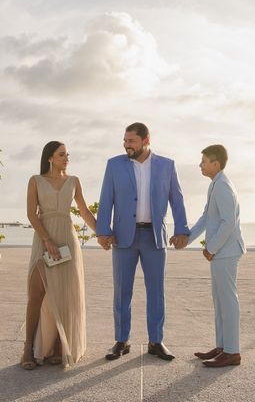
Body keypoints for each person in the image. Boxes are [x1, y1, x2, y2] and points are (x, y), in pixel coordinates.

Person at [96, 122, 189, 361]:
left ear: (146, 140)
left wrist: (182, 230)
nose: (127, 145)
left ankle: (156, 341)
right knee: (122, 292)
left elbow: (176, 200)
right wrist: (102, 231)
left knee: (156, 292)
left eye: (131, 141)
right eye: (125, 141)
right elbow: (106, 199)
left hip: (154, 237)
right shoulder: (114, 165)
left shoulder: (166, 166)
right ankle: (121, 341)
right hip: (123, 237)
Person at [21, 141, 96, 370]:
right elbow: (32, 215)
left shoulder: (73, 181)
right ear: (50, 157)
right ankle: (27, 350)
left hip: (68, 240)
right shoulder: (35, 180)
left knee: (64, 293)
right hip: (44, 238)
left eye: (67, 155)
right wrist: (47, 240)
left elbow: (83, 211)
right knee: (37, 292)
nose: (66, 158)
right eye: (61, 154)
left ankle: (58, 346)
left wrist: (103, 234)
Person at [178, 144, 246, 367]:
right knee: (220, 301)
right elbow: (207, 217)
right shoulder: (215, 185)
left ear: (215, 164)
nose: (200, 165)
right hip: (220, 253)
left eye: (204, 161)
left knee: (228, 302)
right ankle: (222, 347)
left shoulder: (223, 187)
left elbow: (228, 223)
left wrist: (211, 247)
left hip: (226, 252)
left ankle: (232, 352)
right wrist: (186, 239)